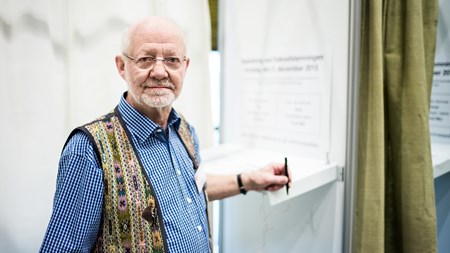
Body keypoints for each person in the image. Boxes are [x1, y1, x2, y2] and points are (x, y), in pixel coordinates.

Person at [40, 16, 291, 253]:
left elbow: (190, 188)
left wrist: (250, 180)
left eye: (172, 60)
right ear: (121, 66)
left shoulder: (183, 129)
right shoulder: (89, 149)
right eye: (146, 59)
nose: (160, 72)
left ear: (185, 66)